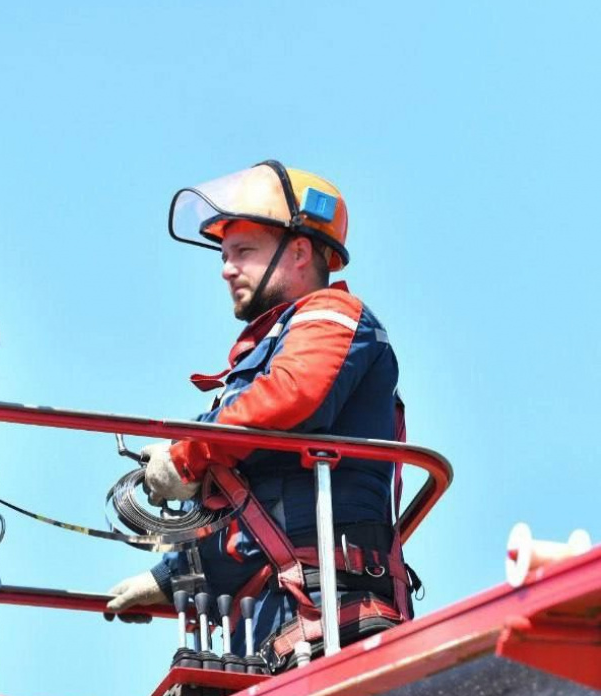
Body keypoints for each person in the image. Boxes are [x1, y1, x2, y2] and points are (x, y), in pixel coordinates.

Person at [105, 161, 416, 670]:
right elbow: (249, 524)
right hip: (286, 623)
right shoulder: (267, 355)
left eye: (243, 252)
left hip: (335, 620)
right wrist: (168, 579)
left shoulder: (333, 318)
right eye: (224, 255)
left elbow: (290, 396)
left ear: (299, 253)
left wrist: (187, 456)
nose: (226, 268)